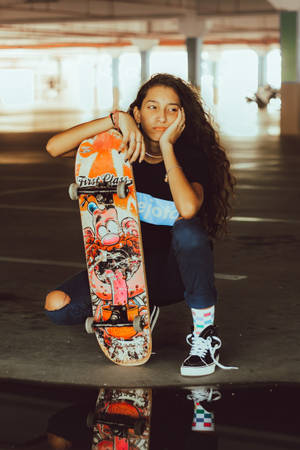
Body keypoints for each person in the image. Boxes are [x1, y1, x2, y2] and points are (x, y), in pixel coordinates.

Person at [45, 73, 237, 376]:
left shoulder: (191, 155)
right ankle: (145, 310)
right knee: (58, 307)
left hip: (173, 277)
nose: (162, 116)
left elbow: (188, 208)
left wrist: (167, 147)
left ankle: (204, 335)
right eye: (152, 107)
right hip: (123, 275)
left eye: (172, 109)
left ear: (183, 116)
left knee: (188, 229)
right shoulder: (114, 152)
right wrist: (115, 119)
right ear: (138, 112)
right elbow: (54, 147)